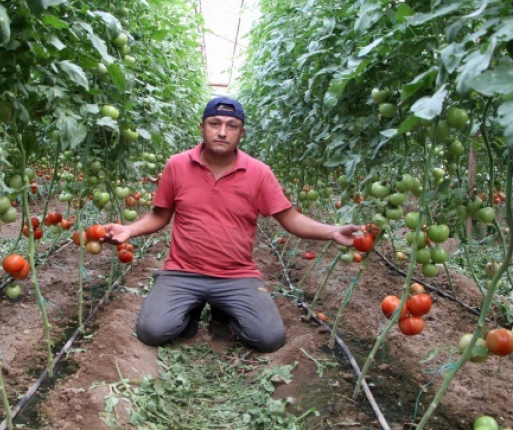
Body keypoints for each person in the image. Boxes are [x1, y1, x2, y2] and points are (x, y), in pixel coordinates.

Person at [103, 97, 359, 353]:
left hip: (236, 275)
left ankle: (222, 311)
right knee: (151, 331)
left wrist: (333, 231)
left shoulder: (258, 172)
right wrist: (129, 230)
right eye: (215, 123)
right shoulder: (177, 165)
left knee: (269, 339)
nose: (222, 132)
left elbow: (291, 219)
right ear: (202, 127)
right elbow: (159, 215)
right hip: (182, 272)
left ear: (242, 132)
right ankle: (190, 310)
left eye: (232, 126)